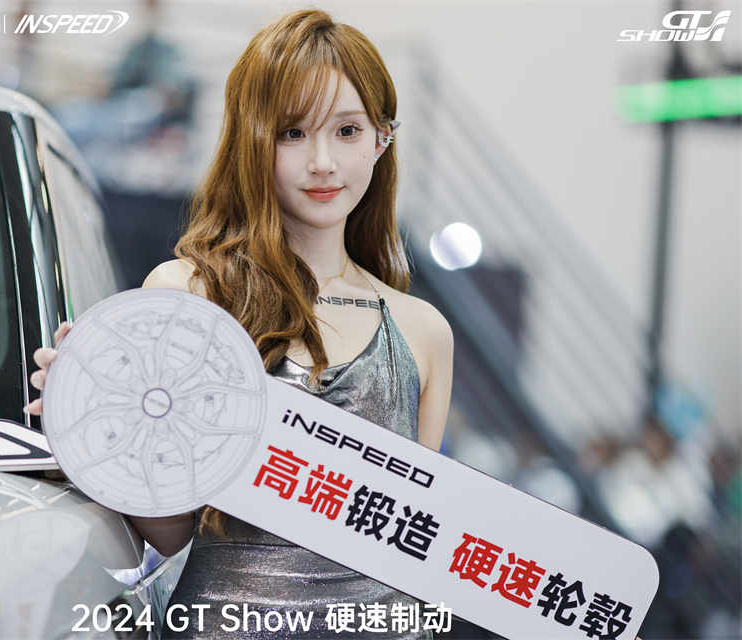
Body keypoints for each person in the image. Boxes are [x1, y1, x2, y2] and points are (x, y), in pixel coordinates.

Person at [26, 9, 453, 638]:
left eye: (347, 130)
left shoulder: (423, 331)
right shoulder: (187, 296)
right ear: (251, 139)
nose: (323, 162)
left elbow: (414, 544)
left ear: (382, 140)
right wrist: (90, 426)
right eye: (292, 132)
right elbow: (172, 533)